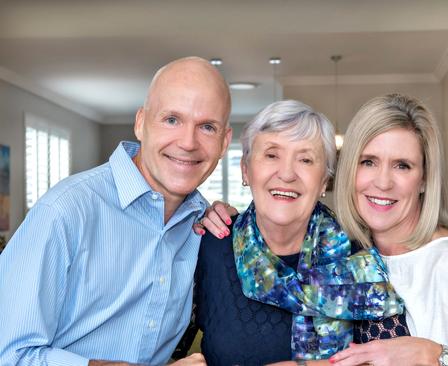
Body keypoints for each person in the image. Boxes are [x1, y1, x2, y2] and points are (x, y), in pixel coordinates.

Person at [0, 56, 232, 366]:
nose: (188, 142)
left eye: (207, 126)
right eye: (172, 119)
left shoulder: (204, 226)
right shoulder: (65, 212)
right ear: (140, 123)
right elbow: (9, 354)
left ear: (225, 141)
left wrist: (244, 226)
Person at [175, 100, 403, 366]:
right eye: (272, 155)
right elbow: (162, 346)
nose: (286, 174)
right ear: (246, 170)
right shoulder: (209, 247)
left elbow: (392, 356)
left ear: (323, 182)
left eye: (305, 159)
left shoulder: (359, 256)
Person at [318, 94, 448, 366]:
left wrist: (431, 354)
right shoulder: (344, 256)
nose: (382, 182)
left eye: (402, 166)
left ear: (425, 178)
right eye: (368, 161)